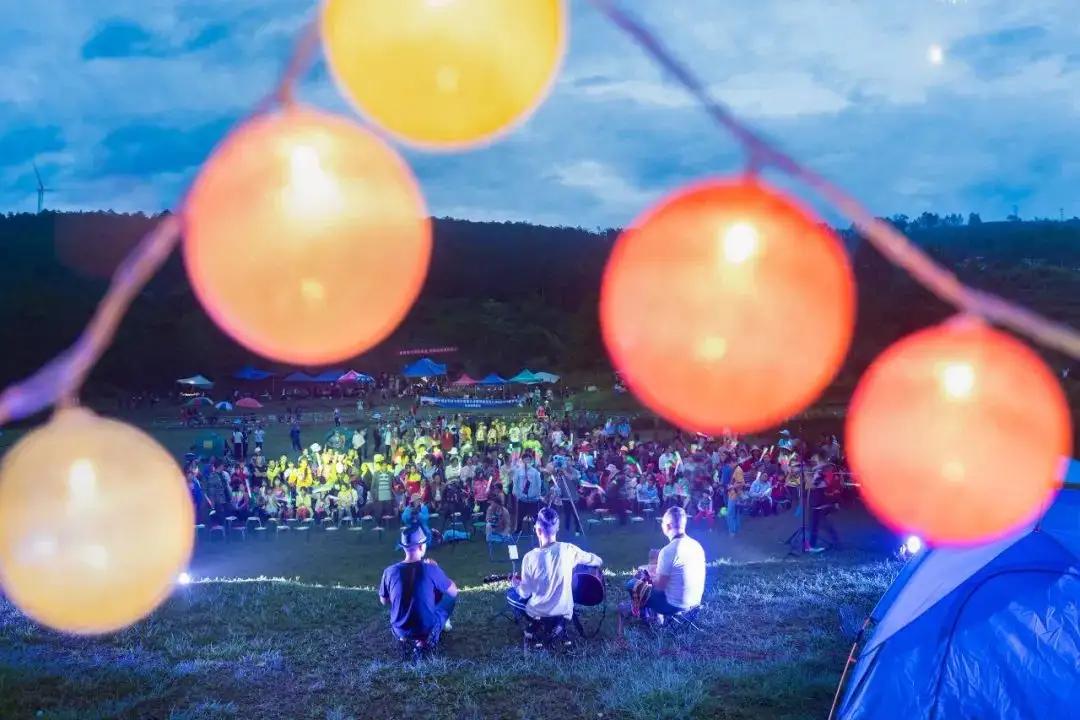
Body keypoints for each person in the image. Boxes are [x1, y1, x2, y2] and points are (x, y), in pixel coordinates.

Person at [506, 507, 603, 624]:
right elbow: (597, 561)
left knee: (511, 594)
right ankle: (557, 624)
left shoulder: (529, 557)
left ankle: (535, 624)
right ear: (557, 529)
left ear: (538, 530)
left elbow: (525, 593)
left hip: (538, 611)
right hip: (565, 609)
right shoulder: (569, 549)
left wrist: (515, 584)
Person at [622, 507, 705, 628]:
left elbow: (659, 588)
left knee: (631, 584)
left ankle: (645, 615)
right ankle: (650, 614)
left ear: (668, 526)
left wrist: (648, 579)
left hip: (674, 605)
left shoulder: (669, 551)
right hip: (695, 603)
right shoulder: (696, 545)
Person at [379, 527, 458, 649]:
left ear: (404, 547)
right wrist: (438, 569)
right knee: (449, 598)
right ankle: (426, 638)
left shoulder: (389, 571)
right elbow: (453, 591)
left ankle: (404, 637)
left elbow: (384, 601)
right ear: (422, 547)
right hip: (426, 630)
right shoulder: (431, 569)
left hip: (399, 629)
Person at [513, 453, 542, 534]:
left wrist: (537, 493)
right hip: (522, 498)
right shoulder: (518, 471)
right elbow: (515, 482)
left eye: (528, 459)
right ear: (522, 460)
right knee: (520, 515)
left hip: (533, 498)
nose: (527, 461)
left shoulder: (535, 471)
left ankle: (537, 529)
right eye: (525, 459)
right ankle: (518, 529)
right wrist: (516, 492)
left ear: (531, 461)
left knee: (535, 515)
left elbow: (539, 483)